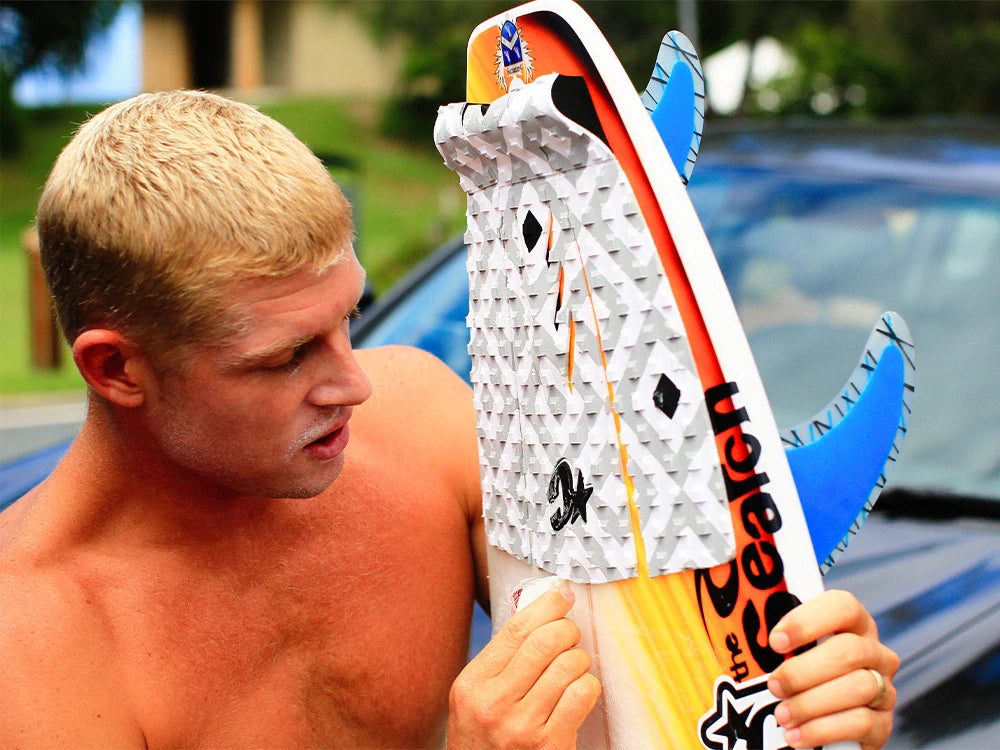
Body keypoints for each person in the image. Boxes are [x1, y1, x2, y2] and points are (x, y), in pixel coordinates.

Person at [0, 90, 898, 749]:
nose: (354, 384)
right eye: (287, 357)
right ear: (117, 369)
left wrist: (813, 695)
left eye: (349, 319)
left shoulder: (422, 428)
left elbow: (664, 693)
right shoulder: (31, 650)